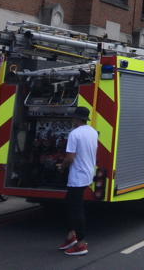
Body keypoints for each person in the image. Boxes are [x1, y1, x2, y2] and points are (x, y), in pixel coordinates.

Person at [57, 107, 98, 256]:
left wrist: (61, 167)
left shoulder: (74, 134)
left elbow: (70, 157)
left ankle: (80, 244)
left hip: (77, 176)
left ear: (76, 119)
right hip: (87, 173)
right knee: (69, 203)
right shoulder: (92, 132)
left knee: (76, 210)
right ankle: (71, 236)